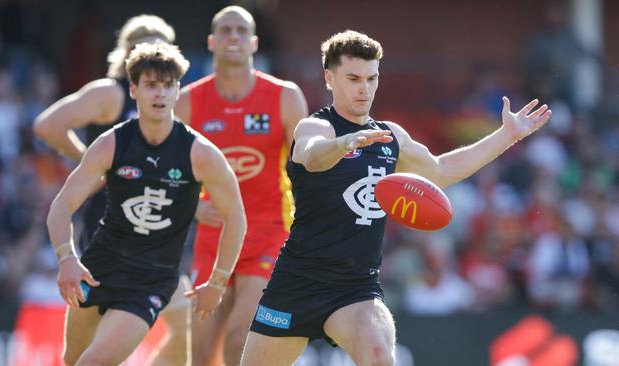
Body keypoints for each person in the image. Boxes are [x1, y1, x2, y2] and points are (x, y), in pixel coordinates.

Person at [240, 30, 551, 366]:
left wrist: (508, 134)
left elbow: (442, 170)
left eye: (371, 78)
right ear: (330, 78)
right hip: (297, 281)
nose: (364, 87)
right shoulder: (316, 127)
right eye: (354, 78)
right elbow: (311, 155)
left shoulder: (390, 137)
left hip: (355, 288)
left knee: (379, 355)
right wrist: (346, 143)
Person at [46, 42, 246, 366]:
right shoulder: (111, 143)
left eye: (168, 86)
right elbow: (61, 206)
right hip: (99, 267)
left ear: (178, 91)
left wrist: (218, 280)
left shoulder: (201, 154)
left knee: (92, 362)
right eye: (151, 85)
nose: (160, 94)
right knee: (73, 359)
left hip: (151, 280)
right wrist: (66, 257)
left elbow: (236, 216)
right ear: (134, 89)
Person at [33, 15, 194, 366]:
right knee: (84, 354)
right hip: (109, 234)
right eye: (144, 46)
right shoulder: (112, 91)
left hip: (158, 242)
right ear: (127, 53)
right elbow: (48, 125)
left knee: (187, 329)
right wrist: (93, 164)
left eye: (160, 47)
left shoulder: (171, 100)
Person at [174, 5, 308, 366]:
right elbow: (169, 173)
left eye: (240, 31)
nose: (233, 36)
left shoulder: (284, 96)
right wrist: (191, 205)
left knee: (239, 340)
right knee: (200, 354)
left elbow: (308, 166)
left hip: (268, 232)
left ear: (254, 43)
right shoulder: (186, 101)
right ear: (211, 42)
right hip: (212, 236)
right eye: (226, 30)